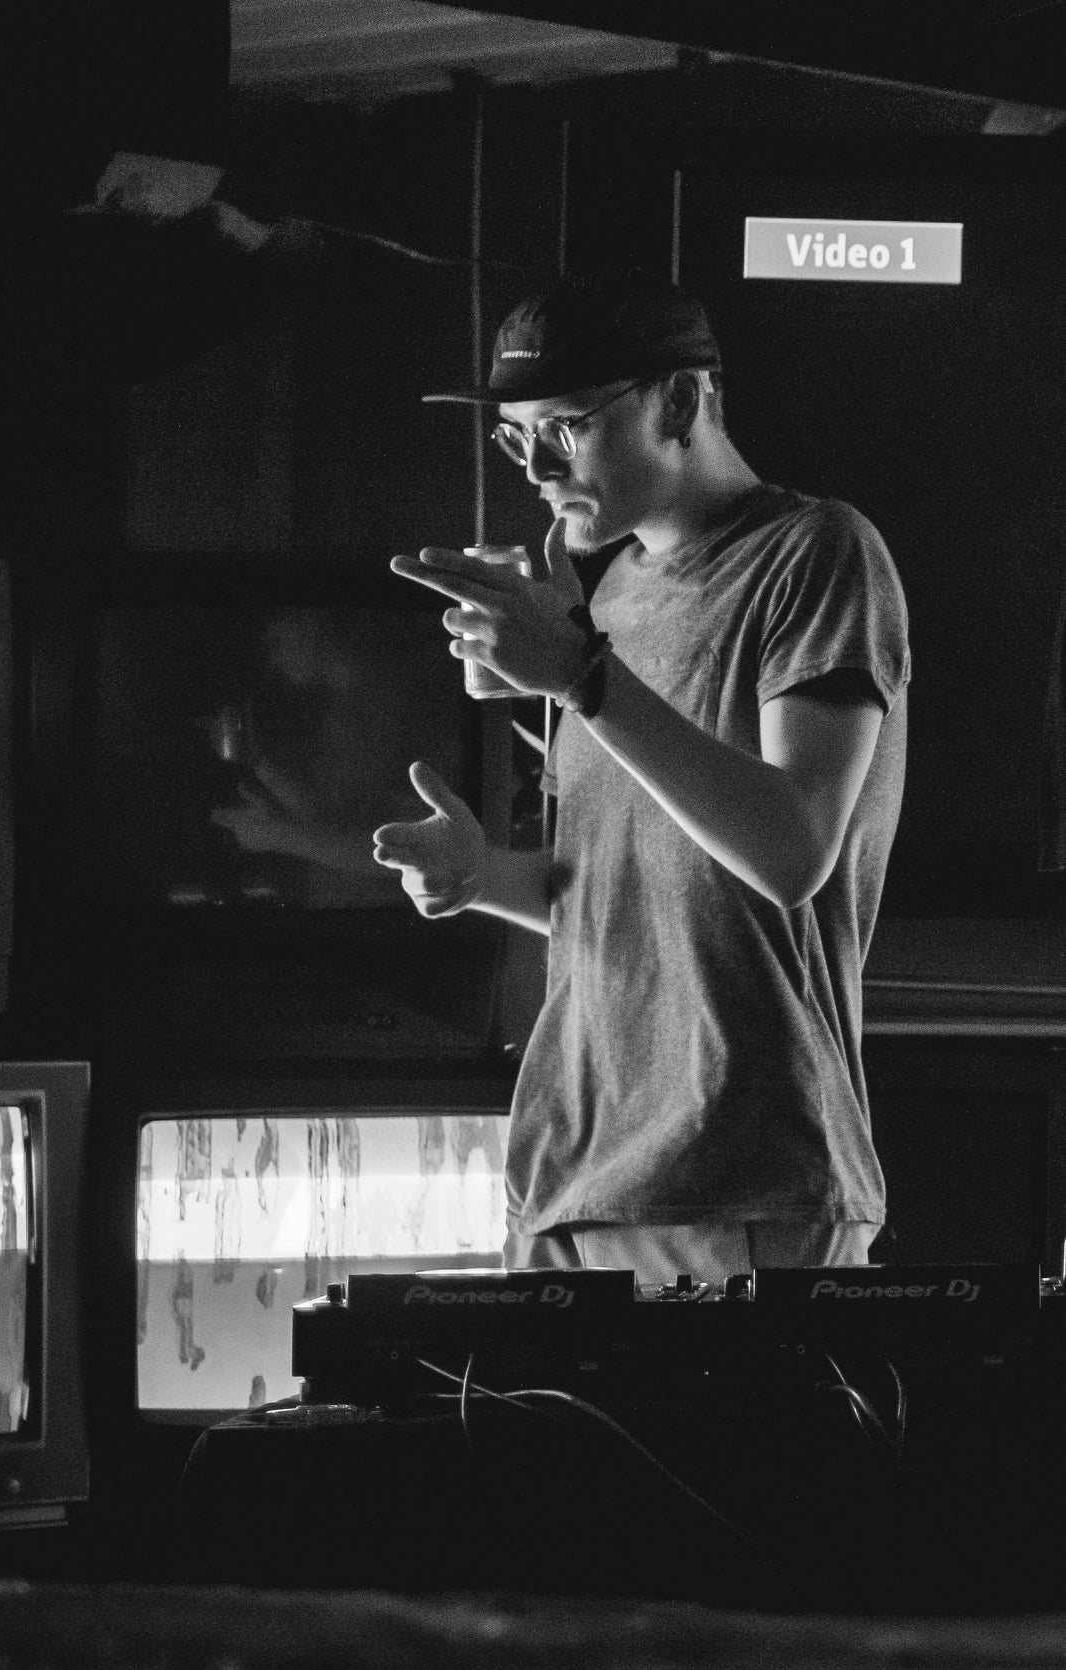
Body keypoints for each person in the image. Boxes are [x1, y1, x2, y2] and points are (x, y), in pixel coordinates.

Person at [373, 267, 910, 1289]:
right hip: (566, 1174)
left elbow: (792, 851)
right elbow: (623, 893)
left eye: (563, 427)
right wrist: (479, 874)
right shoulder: (608, 594)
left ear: (680, 400)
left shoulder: (816, 552)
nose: (536, 468)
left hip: (739, 1173)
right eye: (514, 437)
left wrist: (581, 676)